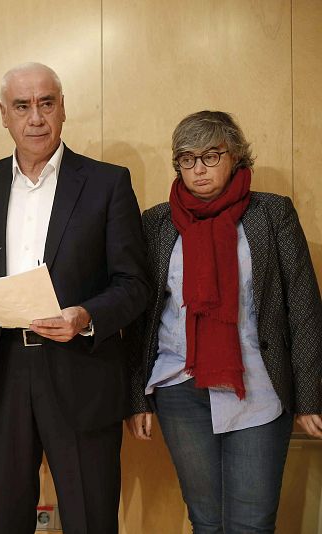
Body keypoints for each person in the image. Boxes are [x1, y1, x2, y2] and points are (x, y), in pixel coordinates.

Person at [0, 62, 149, 534]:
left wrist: (85, 316)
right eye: (22, 106)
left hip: (80, 369)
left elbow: (134, 283)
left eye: (46, 103)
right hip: (2, 374)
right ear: (4, 115)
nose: (35, 118)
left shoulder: (107, 183)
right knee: (8, 520)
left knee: (91, 520)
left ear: (62, 109)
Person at [126, 110, 322, 533]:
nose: (198, 169)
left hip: (258, 386)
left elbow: (303, 307)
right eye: (187, 159)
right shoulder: (156, 222)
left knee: (251, 524)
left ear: (235, 156)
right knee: (206, 521)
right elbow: (141, 317)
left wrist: (310, 397)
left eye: (210, 156)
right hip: (179, 387)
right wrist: (137, 397)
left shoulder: (272, 214)